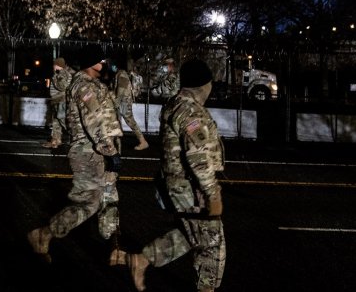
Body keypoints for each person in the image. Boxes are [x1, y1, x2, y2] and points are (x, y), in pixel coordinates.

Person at [116, 59, 226, 292]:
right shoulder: (190, 111)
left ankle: (142, 260)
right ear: (204, 84)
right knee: (211, 244)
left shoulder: (177, 104)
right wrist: (213, 194)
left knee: (191, 234)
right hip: (191, 187)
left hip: (177, 184)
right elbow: (198, 157)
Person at [27, 43, 124, 263]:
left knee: (110, 199)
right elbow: (93, 121)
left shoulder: (94, 84)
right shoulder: (83, 87)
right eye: (101, 60)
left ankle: (115, 249)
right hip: (89, 153)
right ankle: (44, 234)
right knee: (88, 203)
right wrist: (109, 151)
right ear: (92, 63)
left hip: (101, 150)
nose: (105, 64)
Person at [111, 60, 149, 150]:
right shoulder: (122, 73)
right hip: (124, 101)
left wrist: (116, 102)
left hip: (123, 102)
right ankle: (117, 143)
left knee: (130, 120)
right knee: (119, 120)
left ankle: (143, 141)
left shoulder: (121, 73)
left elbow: (121, 90)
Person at [43, 57, 74, 148]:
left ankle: (75, 137)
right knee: (56, 122)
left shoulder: (63, 73)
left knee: (63, 121)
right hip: (57, 100)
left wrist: (55, 77)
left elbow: (62, 87)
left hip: (61, 100)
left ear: (57, 65)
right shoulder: (60, 73)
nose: (53, 66)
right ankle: (55, 141)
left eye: (54, 64)